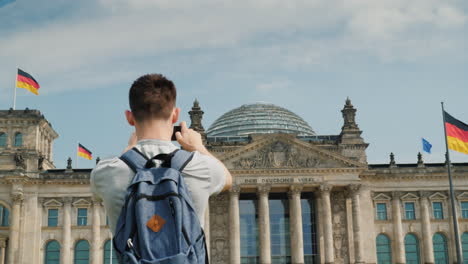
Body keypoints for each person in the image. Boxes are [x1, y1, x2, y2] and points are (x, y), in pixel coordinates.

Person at [90, 73, 232, 236]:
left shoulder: (105, 172)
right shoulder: (201, 167)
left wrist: (129, 149)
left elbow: (98, 193)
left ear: (129, 117)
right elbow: (228, 179)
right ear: (175, 115)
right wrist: (198, 148)